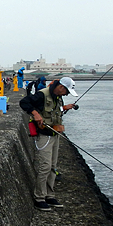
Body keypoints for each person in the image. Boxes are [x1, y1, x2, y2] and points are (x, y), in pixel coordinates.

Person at [19, 77, 78, 211]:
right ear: (61, 87)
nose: (66, 94)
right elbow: (24, 102)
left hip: (55, 134)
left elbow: (53, 111)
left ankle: (49, 195)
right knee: (44, 166)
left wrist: (64, 108)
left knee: (52, 166)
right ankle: (39, 198)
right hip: (44, 135)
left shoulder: (58, 97)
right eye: (66, 92)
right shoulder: (42, 94)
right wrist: (35, 114)